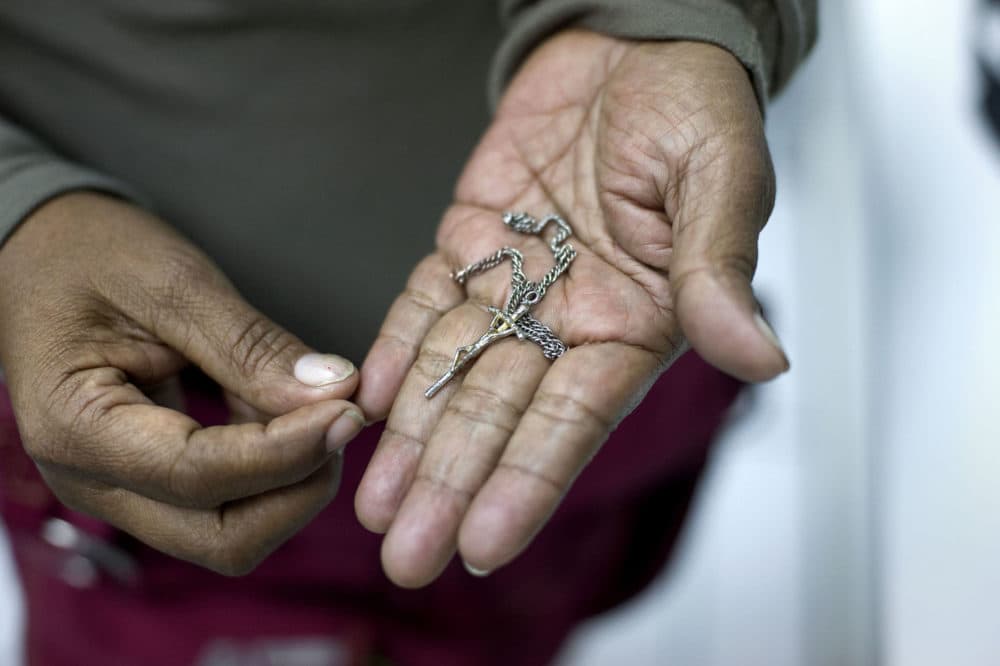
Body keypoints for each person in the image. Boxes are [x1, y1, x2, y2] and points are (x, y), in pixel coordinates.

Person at [0, 2, 815, 664]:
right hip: (127, 404)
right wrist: (18, 211)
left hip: (589, 377)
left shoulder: (573, 306)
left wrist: (671, 18)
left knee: (512, 592)